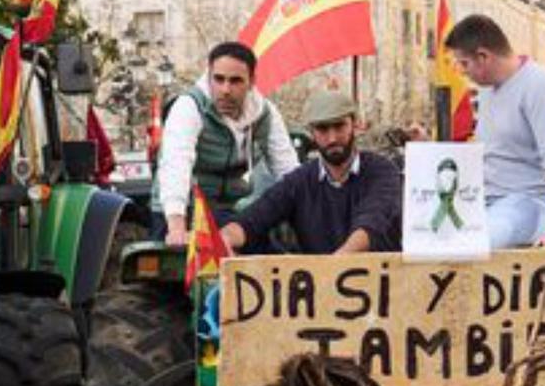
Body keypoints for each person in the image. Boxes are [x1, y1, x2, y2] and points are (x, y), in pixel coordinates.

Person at [444, 14, 545, 249]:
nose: (462, 73)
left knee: (474, 243)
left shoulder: (541, 88)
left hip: (533, 204)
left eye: (464, 64)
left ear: (483, 57)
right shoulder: (488, 92)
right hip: (491, 203)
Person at [152, 42, 299, 246]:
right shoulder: (189, 106)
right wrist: (177, 228)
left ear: (251, 82)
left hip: (226, 211)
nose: (226, 89)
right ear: (209, 76)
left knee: (264, 256)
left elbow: (288, 170)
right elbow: (176, 165)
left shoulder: (264, 113)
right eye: (219, 79)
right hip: (177, 209)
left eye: (236, 81)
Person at [220, 91, 401, 255]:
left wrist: (334, 265)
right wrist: (227, 237)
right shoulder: (300, 181)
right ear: (312, 133)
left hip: (381, 285)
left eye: (339, 126)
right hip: (318, 284)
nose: (332, 138)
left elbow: (373, 221)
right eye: (323, 129)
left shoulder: (382, 171)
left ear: (355, 125)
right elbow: (257, 217)